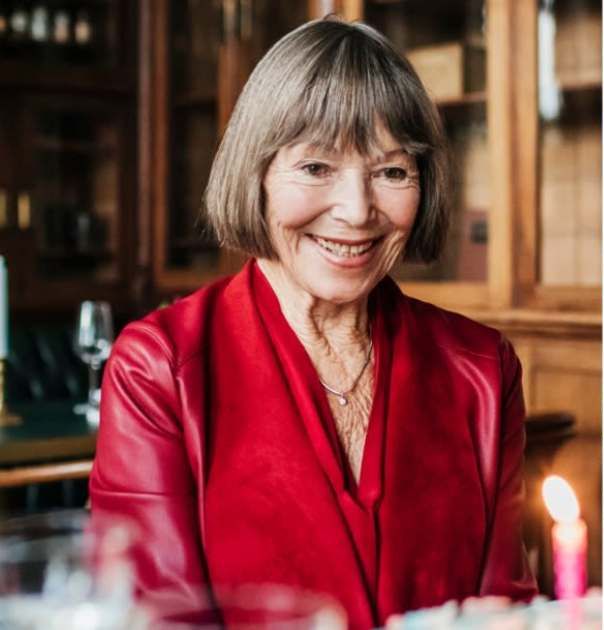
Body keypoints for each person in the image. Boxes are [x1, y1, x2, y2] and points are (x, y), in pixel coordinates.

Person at [90, 18, 536, 629]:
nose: (356, 212)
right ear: (259, 173)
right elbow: (151, 618)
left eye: (392, 172)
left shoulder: (482, 367)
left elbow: (505, 609)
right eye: (317, 167)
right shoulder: (160, 366)